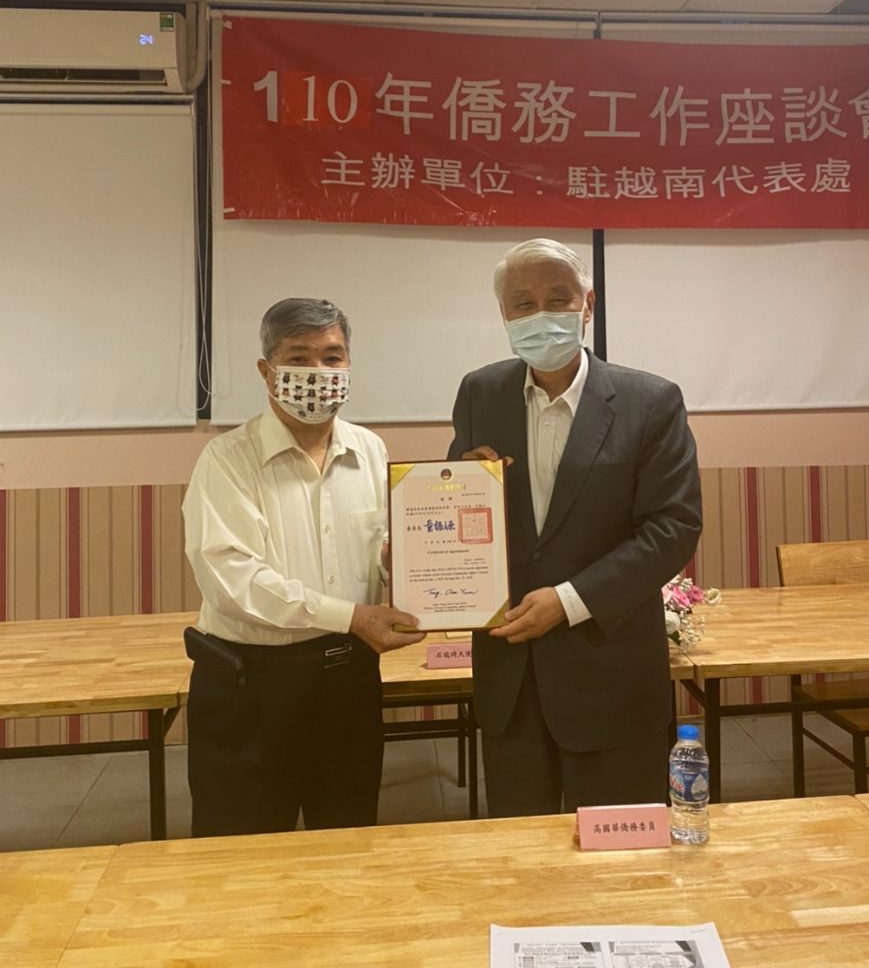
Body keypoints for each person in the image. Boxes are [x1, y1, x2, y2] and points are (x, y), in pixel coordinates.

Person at [449, 238, 701, 817]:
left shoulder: (650, 401)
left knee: (620, 851)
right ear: (504, 314)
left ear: (588, 305)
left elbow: (673, 526)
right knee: (519, 851)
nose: (541, 314)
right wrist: (456, 489)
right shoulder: (480, 392)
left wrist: (569, 601)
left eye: (557, 299)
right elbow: (458, 505)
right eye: (523, 303)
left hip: (610, 673)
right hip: (510, 678)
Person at [183, 297, 423, 837]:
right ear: (267, 371)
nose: (319, 371)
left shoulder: (371, 450)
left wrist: (405, 567)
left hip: (349, 684)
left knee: (346, 841)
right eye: (299, 357)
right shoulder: (227, 459)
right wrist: (351, 616)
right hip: (253, 687)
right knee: (241, 850)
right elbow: (233, 581)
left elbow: (382, 555)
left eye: (332, 357)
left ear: (349, 364)